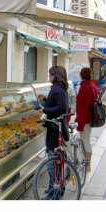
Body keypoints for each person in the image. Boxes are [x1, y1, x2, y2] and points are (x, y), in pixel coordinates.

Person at [38, 66, 69, 200]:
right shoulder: (60, 89)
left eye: (50, 75)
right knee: (56, 162)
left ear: (55, 76)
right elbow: (57, 104)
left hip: (55, 130)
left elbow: (61, 107)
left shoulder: (56, 89)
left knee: (52, 164)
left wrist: (45, 109)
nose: (49, 77)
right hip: (58, 128)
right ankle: (55, 188)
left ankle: (53, 195)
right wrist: (46, 99)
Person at [75, 67, 98, 172]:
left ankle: (88, 165)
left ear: (81, 75)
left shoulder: (84, 88)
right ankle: (87, 163)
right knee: (86, 140)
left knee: (85, 141)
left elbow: (82, 108)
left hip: (85, 118)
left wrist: (80, 122)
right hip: (90, 117)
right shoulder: (92, 86)